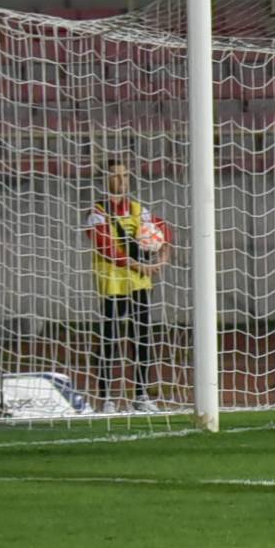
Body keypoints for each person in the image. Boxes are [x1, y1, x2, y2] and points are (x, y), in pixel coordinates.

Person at [86, 156, 167, 411]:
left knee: (141, 337)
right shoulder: (97, 213)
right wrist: (139, 265)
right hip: (112, 283)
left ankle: (141, 396)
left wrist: (162, 258)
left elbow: (162, 229)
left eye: (125, 175)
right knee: (109, 338)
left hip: (139, 283)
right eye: (115, 175)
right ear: (105, 179)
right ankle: (107, 398)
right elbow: (105, 247)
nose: (121, 180)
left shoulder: (137, 209)